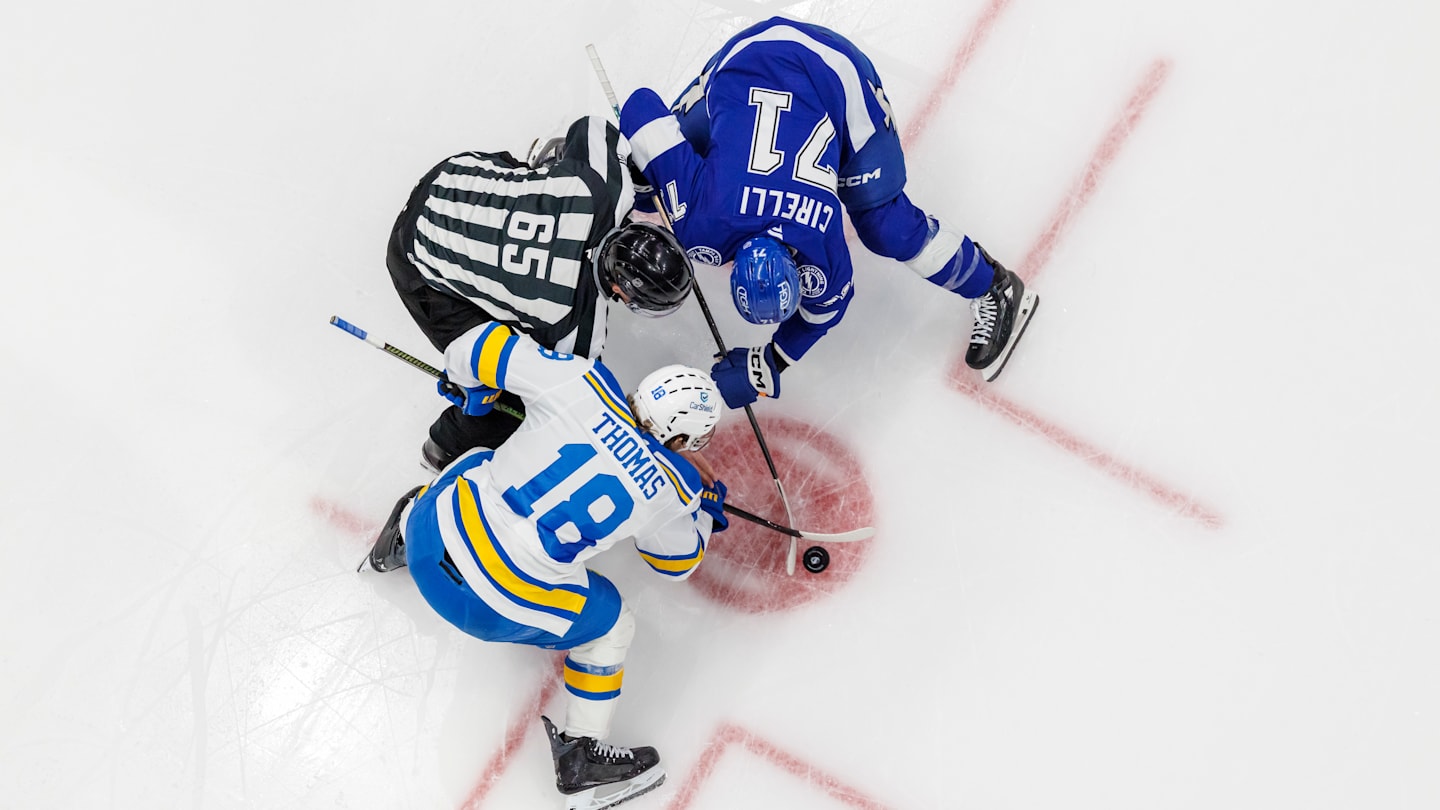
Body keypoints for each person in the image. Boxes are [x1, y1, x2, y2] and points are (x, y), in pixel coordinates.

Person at [361, 320, 729, 810]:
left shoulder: (582, 380)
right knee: (612, 626)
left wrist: (469, 388)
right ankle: (581, 754)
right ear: (683, 439)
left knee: (476, 459)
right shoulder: (672, 487)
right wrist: (702, 510)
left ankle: (400, 537)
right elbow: (677, 562)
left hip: (434, 535)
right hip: (489, 610)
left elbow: (478, 345)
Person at [618, 16, 1039, 408]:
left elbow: (826, 309)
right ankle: (651, 173)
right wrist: (649, 187)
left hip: (834, 76)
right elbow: (639, 107)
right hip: (751, 58)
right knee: (665, 153)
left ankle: (996, 287)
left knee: (884, 224)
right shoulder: (707, 225)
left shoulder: (742, 231)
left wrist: (772, 362)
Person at [386, 115, 696, 472]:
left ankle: (541, 181)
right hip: (410, 256)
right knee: (516, 394)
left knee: (537, 183)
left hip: (448, 178)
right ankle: (446, 446)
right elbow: (568, 399)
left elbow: (593, 126)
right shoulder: (575, 334)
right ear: (619, 289)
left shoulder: (606, 190)